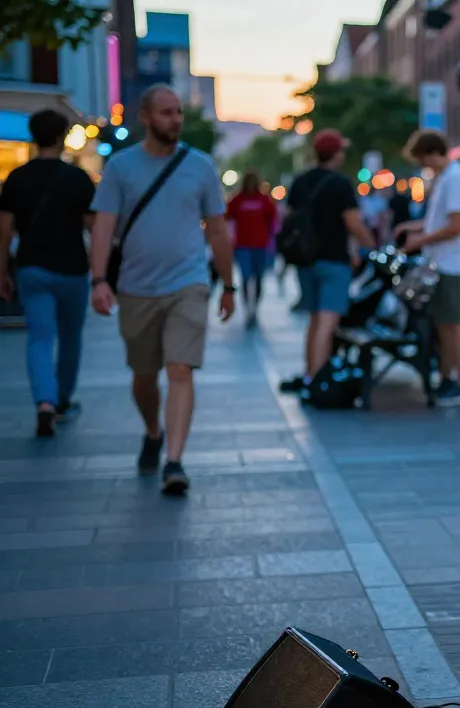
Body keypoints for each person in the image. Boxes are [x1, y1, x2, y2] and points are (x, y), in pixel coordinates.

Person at [88, 83, 236, 495]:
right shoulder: (121, 167)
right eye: (167, 113)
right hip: (135, 287)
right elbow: (103, 224)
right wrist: (99, 279)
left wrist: (229, 285)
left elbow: (219, 230)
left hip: (189, 282)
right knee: (144, 377)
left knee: (180, 369)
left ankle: (174, 460)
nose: (176, 120)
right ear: (146, 117)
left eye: (179, 112)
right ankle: (152, 431)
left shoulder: (201, 166)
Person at [0, 109, 97, 437]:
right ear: (62, 136)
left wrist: (2, 271)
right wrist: (101, 273)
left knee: (40, 338)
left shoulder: (17, 178)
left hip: (32, 267)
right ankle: (62, 401)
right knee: (70, 338)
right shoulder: (78, 179)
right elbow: (92, 227)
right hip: (72, 269)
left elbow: (4, 231)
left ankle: (44, 401)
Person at [278, 128, 377, 393]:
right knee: (328, 321)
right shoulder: (339, 183)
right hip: (334, 260)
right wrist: (372, 245)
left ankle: (310, 372)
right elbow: (353, 222)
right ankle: (319, 379)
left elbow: (288, 217)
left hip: (305, 260)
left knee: (314, 320)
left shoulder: (301, 181)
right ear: (337, 154)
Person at [398, 129, 460, 405]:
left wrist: (420, 239)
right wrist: (415, 228)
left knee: (453, 324)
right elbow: (442, 221)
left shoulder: (455, 179)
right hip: (443, 261)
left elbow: (456, 226)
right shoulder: (446, 177)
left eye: (422, 159)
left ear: (432, 153)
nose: (422, 165)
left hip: (451, 262)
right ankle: (447, 377)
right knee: (445, 324)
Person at [225, 170, 278, 327]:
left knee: (259, 277)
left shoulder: (264, 200)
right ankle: (248, 308)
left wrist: (271, 238)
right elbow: (226, 216)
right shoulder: (238, 200)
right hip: (243, 245)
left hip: (260, 245)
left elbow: (272, 219)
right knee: (246, 277)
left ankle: (255, 307)